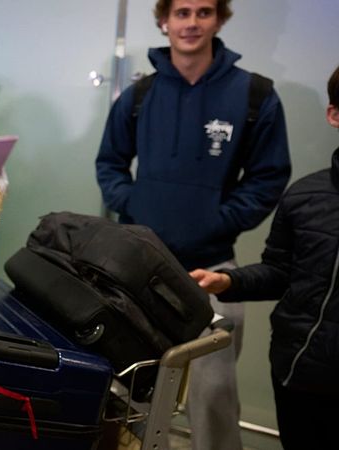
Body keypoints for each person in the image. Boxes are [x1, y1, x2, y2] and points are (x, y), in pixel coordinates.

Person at [94, 1, 291, 448]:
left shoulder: (255, 94)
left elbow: (268, 177)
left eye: (204, 12)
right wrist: (136, 205)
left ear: (219, 20)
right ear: (165, 20)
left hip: (212, 272)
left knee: (214, 396)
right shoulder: (139, 96)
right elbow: (110, 164)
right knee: (129, 394)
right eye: (182, 12)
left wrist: (217, 221)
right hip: (139, 272)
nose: (192, 23)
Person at [189, 64, 339, 450]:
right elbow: (281, 271)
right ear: (334, 115)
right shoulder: (305, 196)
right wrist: (229, 282)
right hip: (299, 373)